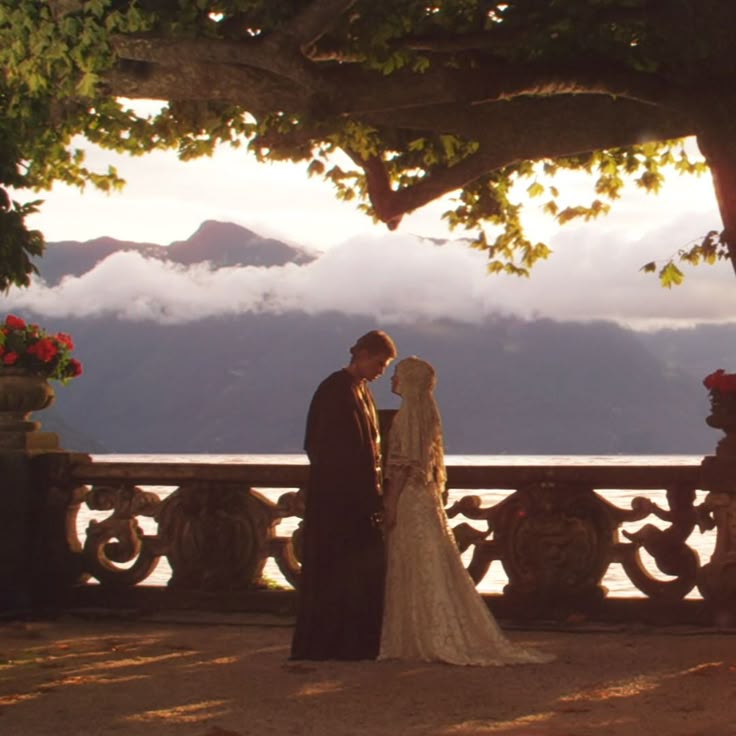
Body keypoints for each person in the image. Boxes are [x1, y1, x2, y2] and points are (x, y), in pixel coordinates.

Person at [379, 356, 553, 666]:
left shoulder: (405, 418)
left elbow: (402, 468)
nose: (392, 379)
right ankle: (435, 630)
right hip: (426, 501)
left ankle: (416, 635)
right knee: (432, 563)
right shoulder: (429, 416)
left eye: (397, 374)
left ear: (410, 381)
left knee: (411, 562)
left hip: (409, 500)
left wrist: (390, 504)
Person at [290, 329, 398, 660]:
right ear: (362, 355)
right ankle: (330, 644)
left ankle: (353, 642)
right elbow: (321, 447)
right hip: (337, 501)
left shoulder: (360, 390)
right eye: (379, 364)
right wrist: (351, 489)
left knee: (356, 574)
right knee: (336, 572)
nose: (380, 372)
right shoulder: (334, 390)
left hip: (358, 500)